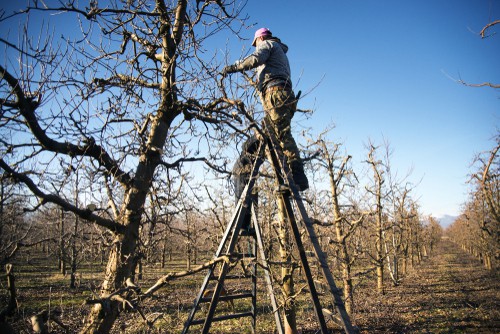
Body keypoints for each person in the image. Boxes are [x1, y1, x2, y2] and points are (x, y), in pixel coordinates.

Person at [222, 27, 309, 191]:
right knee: (272, 135)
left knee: (282, 134)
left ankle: (298, 177)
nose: (255, 46)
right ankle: (288, 178)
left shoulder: (267, 45)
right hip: (282, 95)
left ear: (260, 39)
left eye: (255, 44)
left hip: (275, 94)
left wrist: (234, 67)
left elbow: (255, 58)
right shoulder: (279, 53)